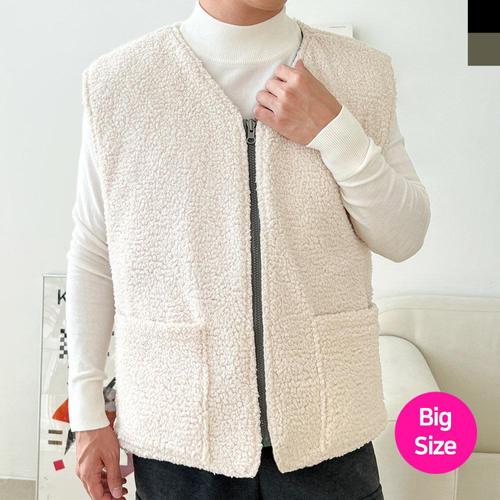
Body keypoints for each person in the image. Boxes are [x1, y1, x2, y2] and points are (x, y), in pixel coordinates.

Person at [65, 0, 431, 499]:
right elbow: (94, 250)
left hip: (328, 433)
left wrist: (336, 132)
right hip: (180, 437)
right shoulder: (120, 83)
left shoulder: (361, 73)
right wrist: (87, 410)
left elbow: (404, 236)